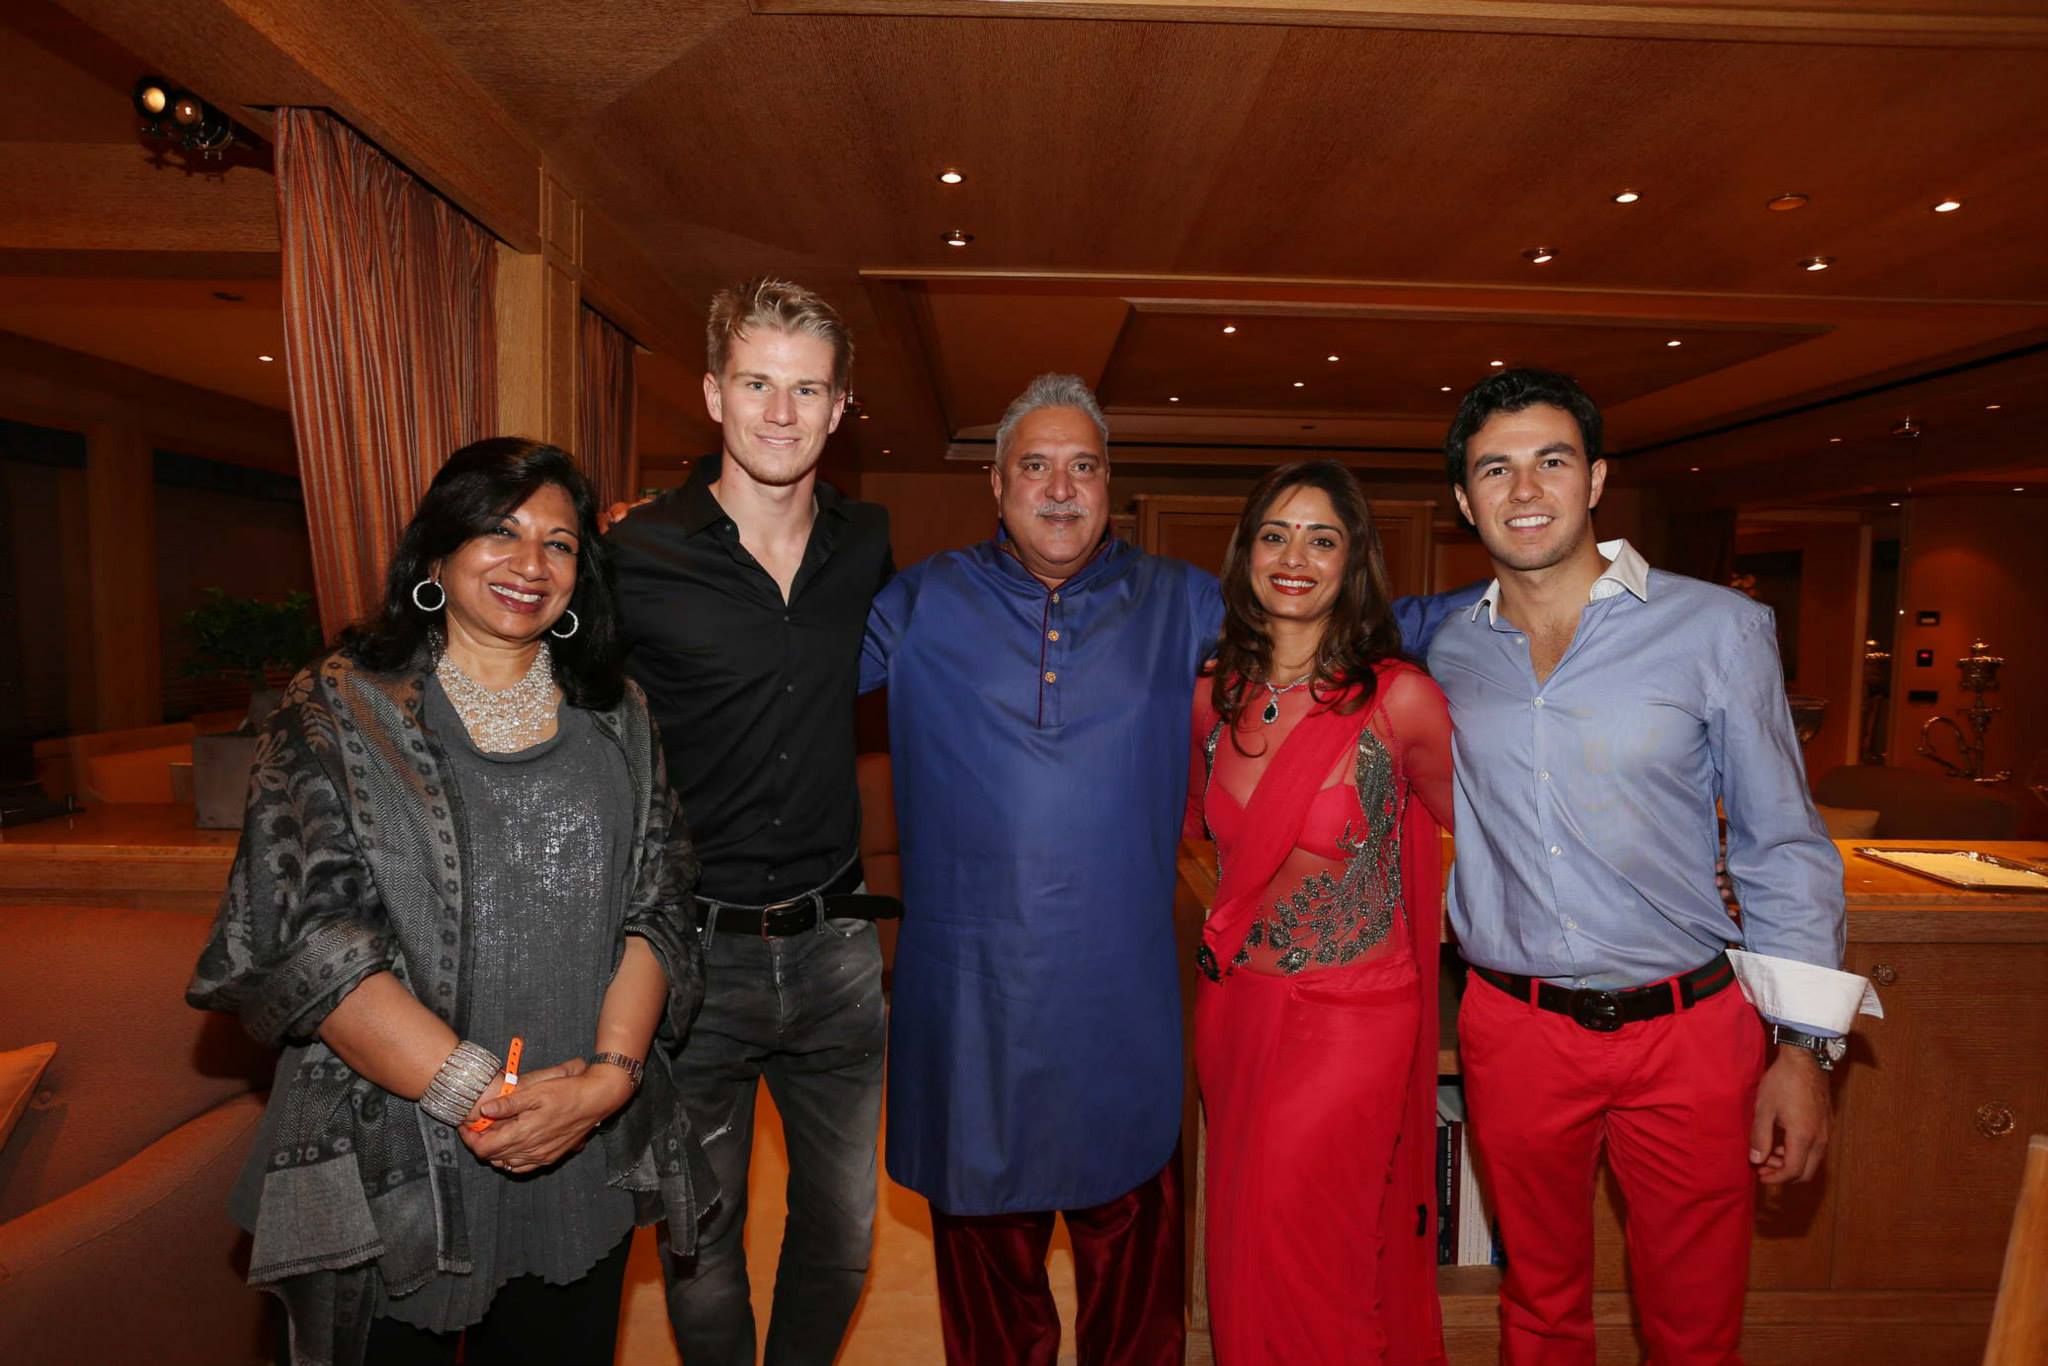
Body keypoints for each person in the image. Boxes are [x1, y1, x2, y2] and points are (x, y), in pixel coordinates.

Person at [860, 374, 1481, 1366]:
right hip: (969, 1017)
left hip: (1124, 1018)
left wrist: (1529, 591)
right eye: (1035, 465)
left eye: (1083, 466)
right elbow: (789, 675)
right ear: (994, 482)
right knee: (988, 1301)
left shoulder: (1179, 603)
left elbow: (1343, 621)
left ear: (1110, 484)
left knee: (1136, 1306)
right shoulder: (921, 600)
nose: (1060, 488)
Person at [188, 438, 712, 1366]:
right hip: (394, 1145)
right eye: (499, 532)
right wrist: (480, 1097)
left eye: (559, 544)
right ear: (436, 553)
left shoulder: (616, 712)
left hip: (576, 1140)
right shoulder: (339, 710)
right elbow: (312, 943)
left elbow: (659, 904)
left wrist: (606, 1082)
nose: (530, 564)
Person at [1427, 368, 1865, 1366]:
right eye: (1495, 468)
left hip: (1688, 1031)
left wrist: (1803, 1052)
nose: (1524, 489)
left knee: (1692, 1320)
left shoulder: (1714, 628)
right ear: (1464, 500)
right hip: (1514, 1027)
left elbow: (1781, 846)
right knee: (1536, 1307)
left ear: (1594, 481)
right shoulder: (1447, 651)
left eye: (1550, 461)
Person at [606, 279, 895, 1366]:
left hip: (834, 951)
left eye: (806, 388)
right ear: (713, 394)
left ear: (838, 408)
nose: (781, 412)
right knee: (698, 1235)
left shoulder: (867, 544)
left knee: (845, 1233)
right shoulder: (635, 557)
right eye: (757, 383)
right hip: (688, 954)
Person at [1184, 459, 1454, 1366]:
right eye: (1275, 534)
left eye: (1322, 538)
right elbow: (1208, 841)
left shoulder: (1400, 701)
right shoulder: (1213, 698)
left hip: (1352, 1017)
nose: (1295, 556)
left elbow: (1484, 838)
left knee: (1316, 1250)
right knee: (1244, 1246)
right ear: (1247, 554)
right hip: (1237, 1012)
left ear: (1354, 562)